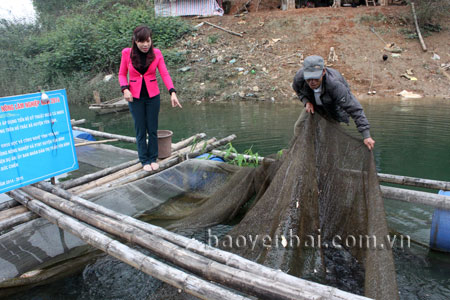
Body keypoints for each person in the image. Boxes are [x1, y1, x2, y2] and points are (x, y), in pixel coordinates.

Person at [119, 25, 182, 172]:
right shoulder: (126, 53)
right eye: (142, 41)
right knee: (140, 129)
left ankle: (153, 158)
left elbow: (165, 74)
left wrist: (172, 92)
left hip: (153, 96)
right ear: (135, 41)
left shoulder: (157, 53)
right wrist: (125, 89)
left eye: (148, 41)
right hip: (135, 97)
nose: (146, 44)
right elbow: (122, 74)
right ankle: (144, 160)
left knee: (152, 129)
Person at [292, 55, 375, 150]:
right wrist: (306, 101)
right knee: (299, 127)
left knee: (330, 139)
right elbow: (297, 90)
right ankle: (302, 153)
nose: (312, 82)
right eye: (309, 79)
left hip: (333, 110)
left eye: (316, 78)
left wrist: (366, 135)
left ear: (323, 72)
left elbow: (354, 109)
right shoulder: (299, 78)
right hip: (313, 106)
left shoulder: (335, 85)